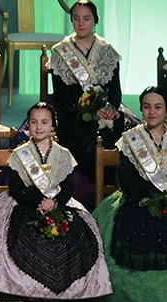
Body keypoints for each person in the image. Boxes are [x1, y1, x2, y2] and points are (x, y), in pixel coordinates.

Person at [0, 102, 111, 302]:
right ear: (28, 125)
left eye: (44, 122)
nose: (39, 127)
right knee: (23, 232)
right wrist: (38, 201)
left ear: (52, 125)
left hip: (56, 202)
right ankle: (33, 292)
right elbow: (15, 187)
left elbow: (68, 186)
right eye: (34, 122)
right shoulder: (20, 154)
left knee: (78, 230)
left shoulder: (63, 154)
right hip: (25, 201)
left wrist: (55, 202)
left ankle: (67, 293)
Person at [47, 0, 135, 209]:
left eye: (86, 19)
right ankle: (95, 196)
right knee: (85, 138)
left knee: (122, 134)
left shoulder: (107, 50)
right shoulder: (60, 52)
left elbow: (115, 90)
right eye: (76, 19)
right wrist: (88, 108)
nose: (81, 23)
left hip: (105, 111)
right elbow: (61, 95)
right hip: (73, 112)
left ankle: (119, 191)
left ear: (95, 20)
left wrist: (111, 108)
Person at [93, 86, 167, 302]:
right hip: (140, 198)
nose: (152, 112)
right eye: (147, 107)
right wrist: (147, 198)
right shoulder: (131, 139)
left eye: (158, 107)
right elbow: (126, 178)